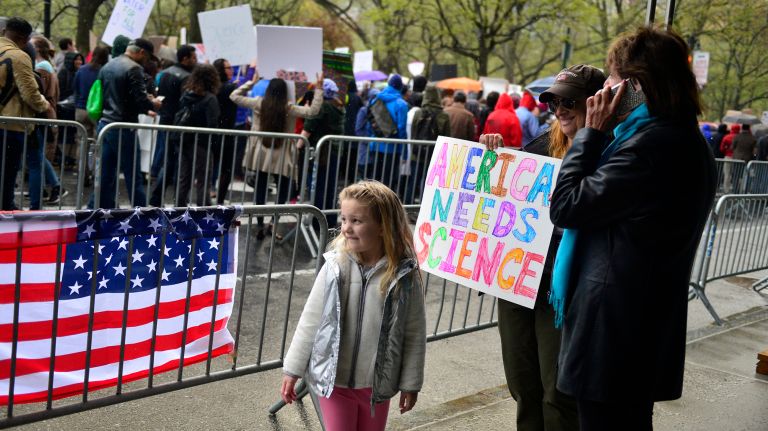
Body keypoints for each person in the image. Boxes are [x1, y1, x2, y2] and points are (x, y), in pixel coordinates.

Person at [549, 26, 716, 430]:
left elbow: (567, 206)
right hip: (640, 325)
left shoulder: (648, 146)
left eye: (610, 79)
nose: (603, 90)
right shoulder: (684, 140)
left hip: (614, 332)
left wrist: (590, 134)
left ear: (635, 86)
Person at [481, 63, 605, 431]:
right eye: (554, 102)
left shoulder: (608, 154)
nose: (561, 109)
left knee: (557, 392)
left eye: (570, 101)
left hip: (562, 290)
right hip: (518, 281)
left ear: (595, 103)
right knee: (522, 383)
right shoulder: (538, 146)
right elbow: (502, 203)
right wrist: (495, 160)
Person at [280, 180, 426, 431]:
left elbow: (414, 332)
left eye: (356, 221)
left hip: (376, 387)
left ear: (382, 226)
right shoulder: (335, 267)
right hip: (334, 384)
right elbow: (311, 320)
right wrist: (292, 369)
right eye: (344, 219)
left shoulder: (404, 275)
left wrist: (411, 383)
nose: (346, 228)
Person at [230, 72, 323, 239]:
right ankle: (272, 223)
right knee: (283, 191)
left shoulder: (259, 103)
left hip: (261, 152)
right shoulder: (289, 108)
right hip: (283, 155)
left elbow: (234, 96)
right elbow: (314, 111)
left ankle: (259, 225)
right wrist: (319, 87)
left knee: (260, 189)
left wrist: (251, 83)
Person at [87, 38, 162, 209]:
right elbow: (139, 100)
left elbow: (108, 95)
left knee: (105, 173)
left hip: (106, 124)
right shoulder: (134, 68)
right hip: (123, 127)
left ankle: (94, 209)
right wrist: (153, 104)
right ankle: (141, 213)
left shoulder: (108, 65)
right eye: (148, 57)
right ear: (142, 52)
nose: (148, 61)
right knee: (133, 174)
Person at [0, 17, 50, 210]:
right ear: (24, 38)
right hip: (9, 128)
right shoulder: (19, 56)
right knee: (5, 180)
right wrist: (45, 105)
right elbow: (31, 95)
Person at [149, 44, 197, 206]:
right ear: (185, 59)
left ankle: (158, 198)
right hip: (178, 124)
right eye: (193, 57)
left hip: (166, 121)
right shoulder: (185, 77)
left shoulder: (165, 74)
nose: (196, 61)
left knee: (169, 161)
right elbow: (186, 103)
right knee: (177, 164)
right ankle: (175, 201)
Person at [174, 64, 220, 207]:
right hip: (202, 143)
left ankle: (179, 209)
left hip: (184, 140)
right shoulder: (210, 99)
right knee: (203, 179)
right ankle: (203, 211)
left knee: (184, 178)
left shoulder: (186, 94)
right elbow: (213, 123)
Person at [303, 79, 345, 228]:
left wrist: (298, 145)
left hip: (320, 154)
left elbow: (308, 128)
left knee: (317, 188)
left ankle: (317, 223)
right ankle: (330, 222)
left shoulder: (322, 107)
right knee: (330, 188)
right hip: (333, 153)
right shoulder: (339, 107)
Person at [365, 74, 410, 192]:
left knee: (374, 180)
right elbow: (401, 129)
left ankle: (372, 207)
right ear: (400, 87)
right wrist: (404, 152)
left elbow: (370, 123)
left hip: (375, 144)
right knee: (387, 182)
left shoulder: (375, 99)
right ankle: (384, 208)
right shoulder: (401, 104)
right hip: (392, 147)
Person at [210, 58, 238, 205]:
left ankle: (209, 197)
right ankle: (219, 200)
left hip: (214, 132)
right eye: (228, 67)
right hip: (225, 133)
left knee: (211, 166)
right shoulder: (229, 88)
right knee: (226, 168)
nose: (231, 70)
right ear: (221, 70)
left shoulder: (211, 87)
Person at [57, 51, 85, 169]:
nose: (79, 62)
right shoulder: (63, 73)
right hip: (65, 110)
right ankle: (64, 159)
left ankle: (70, 159)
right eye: (76, 59)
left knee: (73, 135)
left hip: (74, 108)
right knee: (65, 135)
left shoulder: (80, 72)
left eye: (80, 59)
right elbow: (61, 91)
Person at [720, 123, 740, 192]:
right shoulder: (740, 137)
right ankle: (736, 190)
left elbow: (721, 148)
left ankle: (726, 190)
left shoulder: (727, 137)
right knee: (737, 174)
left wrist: (727, 150)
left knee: (727, 173)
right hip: (738, 158)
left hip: (728, 157)